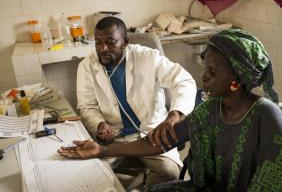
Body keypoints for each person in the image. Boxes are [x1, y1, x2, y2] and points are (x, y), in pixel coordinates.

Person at [59, 29, 282, 191]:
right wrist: (101, 149)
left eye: (212, 73)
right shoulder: (212, 110)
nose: (203, 77)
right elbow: (159, 142)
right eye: (205, 68)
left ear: (236, 79)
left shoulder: (266, 116)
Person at [75, 16, 197, 189]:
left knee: (170, 173)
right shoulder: (87, 66)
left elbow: (184, 81)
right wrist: (99, 124)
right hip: (113, 140)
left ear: (125, 42)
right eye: (98, 42)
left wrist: (174, 115)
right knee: (86, 177)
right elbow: (87, 106)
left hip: (150, 135)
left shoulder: (148, 58)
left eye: (110, 42)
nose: (102, 48)